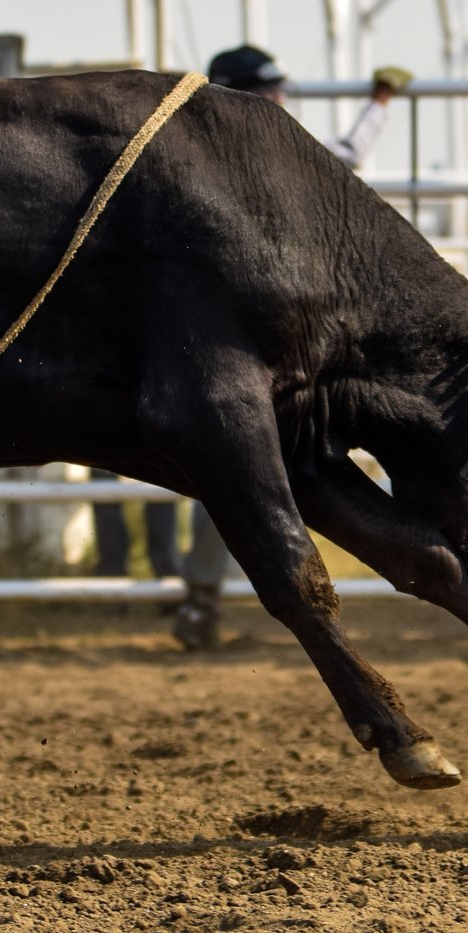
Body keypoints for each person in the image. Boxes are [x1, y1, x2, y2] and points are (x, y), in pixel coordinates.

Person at [168, 45, 411, 648]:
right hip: (264, 344)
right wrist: (379, 105)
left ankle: (207, 600)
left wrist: (377, 106)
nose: (279, 102)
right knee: (237, 465)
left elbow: (343, 157)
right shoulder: (260, 159)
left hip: (259, 344)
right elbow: (344, 159)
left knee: (226, 468)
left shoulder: (194, 159)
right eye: (269, 92)